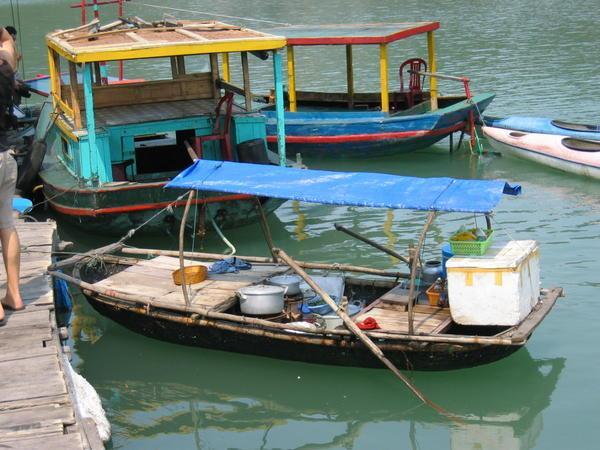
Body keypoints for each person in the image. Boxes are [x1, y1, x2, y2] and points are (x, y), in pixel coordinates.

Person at [0, 26, 22, 325]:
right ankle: (14, 294)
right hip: (5, 158)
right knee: (6, 223)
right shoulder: (5, 66)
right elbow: (6, 39)